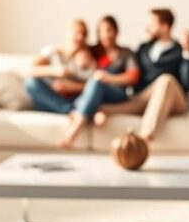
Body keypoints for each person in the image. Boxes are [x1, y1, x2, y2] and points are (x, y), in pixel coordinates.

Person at [98, 7, 189, 142]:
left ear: (164, 27)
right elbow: (130, 73)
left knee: (165, 80)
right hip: (144, 99)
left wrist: (187, 51)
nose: (147, 27)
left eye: (152, 24)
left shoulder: (180, 50)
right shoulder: (144, 49)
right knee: (100, 108)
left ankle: (144, 139)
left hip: (174, 100)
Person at [58, 15, 139, 148]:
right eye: (101, 31)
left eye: (109, 30)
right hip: (93, 94)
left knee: (96, 82)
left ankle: (73, 132)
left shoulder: (125, 53)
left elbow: (133, 77)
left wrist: (108, 78)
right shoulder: (92, 51)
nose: (105, 35)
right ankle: (95, 112)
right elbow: (73, 53)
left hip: (116, 93)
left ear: (116, 32)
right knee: (91, 87)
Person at [24, 19, 93, 114]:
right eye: (77, 32)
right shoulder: (53, 52)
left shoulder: (86, 58)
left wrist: (72, 87)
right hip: (51, 97)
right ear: (68, 33)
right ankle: (70, 111)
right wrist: (54, 71)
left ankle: (70, 110)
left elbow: (94, 85)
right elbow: (28, 70)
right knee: (31, 83)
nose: (80, 37)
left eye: (83, 34)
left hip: (73, 99)